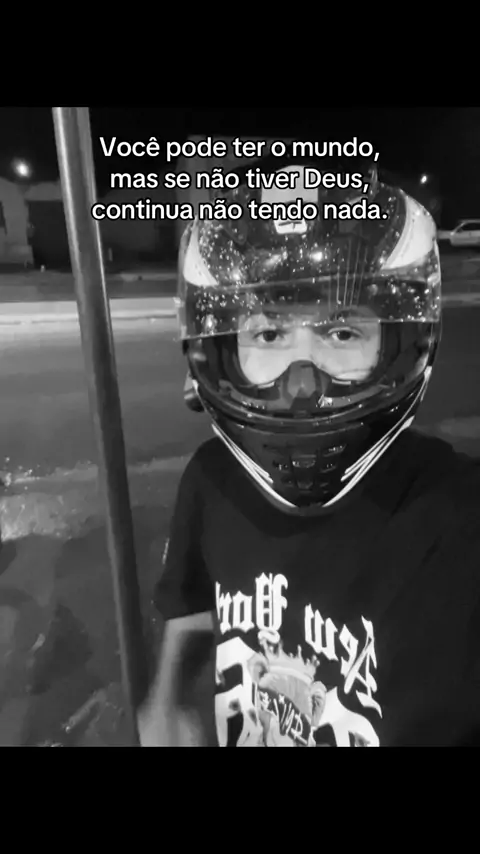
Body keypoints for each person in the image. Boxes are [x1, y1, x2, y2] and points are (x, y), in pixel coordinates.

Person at [139, 155, 480, 747]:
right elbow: (192, 602)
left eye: (342, 332)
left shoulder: (458, 516)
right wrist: (166, 699)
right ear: (220, 352)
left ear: (399, 344)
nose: (303, 383)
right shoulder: (212, 481)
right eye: (269, 334)